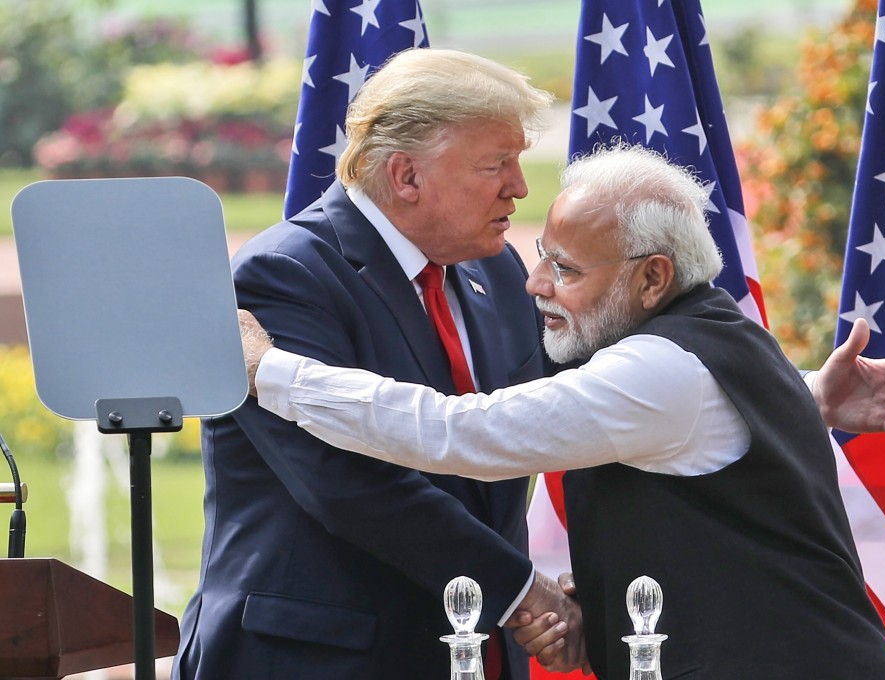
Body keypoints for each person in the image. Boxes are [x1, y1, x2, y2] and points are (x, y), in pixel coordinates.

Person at [240, 143, 885, 679]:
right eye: (543, 256)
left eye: (566, 269)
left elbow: (460, 432)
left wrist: (270, 371)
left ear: (653, 278)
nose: (534, 284)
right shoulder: (709, 340)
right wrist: (805, 395)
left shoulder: (658, 370)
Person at [172, 48, 586, 680]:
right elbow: (346, 481)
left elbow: (554, 416)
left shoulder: (496, 267)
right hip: (318, 660)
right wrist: (521, 592)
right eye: (495, 164)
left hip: (473, 651)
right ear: (406, 176)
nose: (519, 186)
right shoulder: (285, 275)